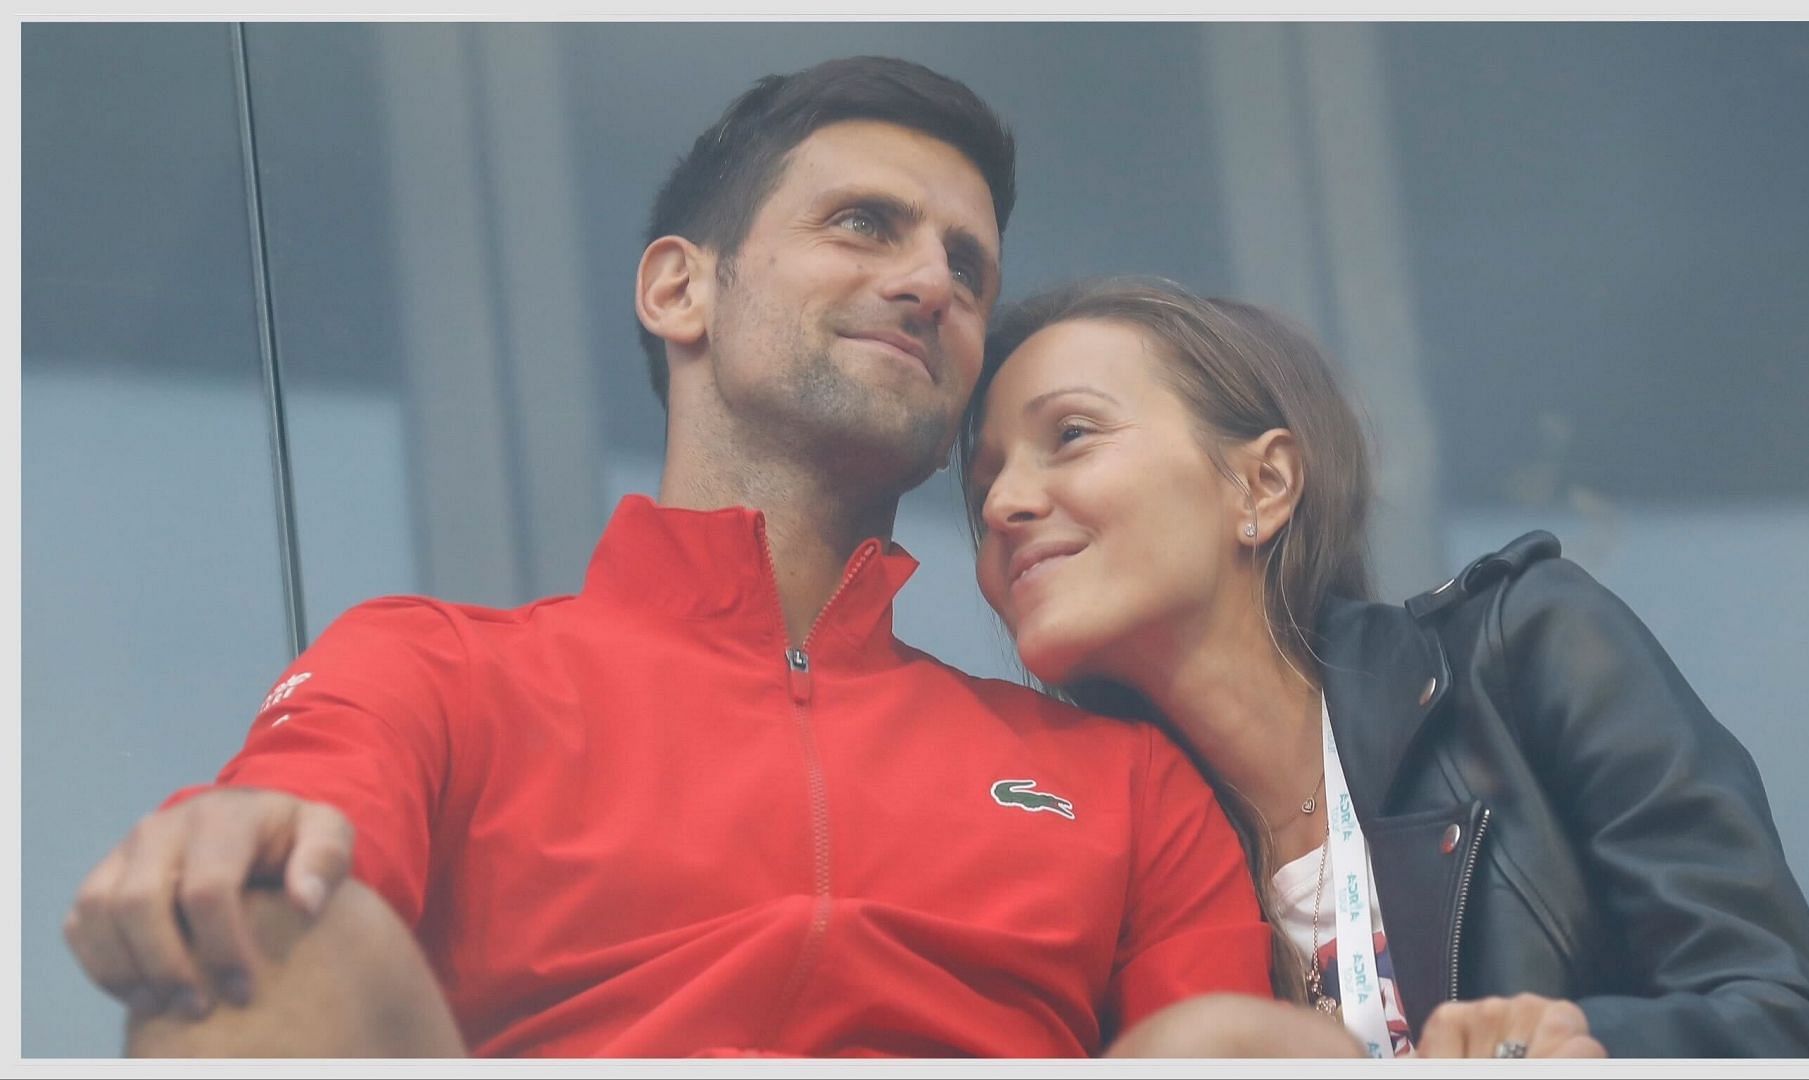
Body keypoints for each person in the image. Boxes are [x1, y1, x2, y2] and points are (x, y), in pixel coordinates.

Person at [60, 61, 1359, 1059]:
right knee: (263, 922)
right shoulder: (435, 672)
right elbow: (297, 829)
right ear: (680, 289)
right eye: (866, 225)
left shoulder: (1122, 783)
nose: (931, 284)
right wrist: (218, 842)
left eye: (966, 265)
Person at [960, 276, 1809, 1058]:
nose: (1005, 502)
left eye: (1071, 434)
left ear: (1262, 484)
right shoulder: (1109, 842)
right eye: (979, 486)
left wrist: (1572, 1045)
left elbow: (1794, 1020)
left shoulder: (1525, 648)